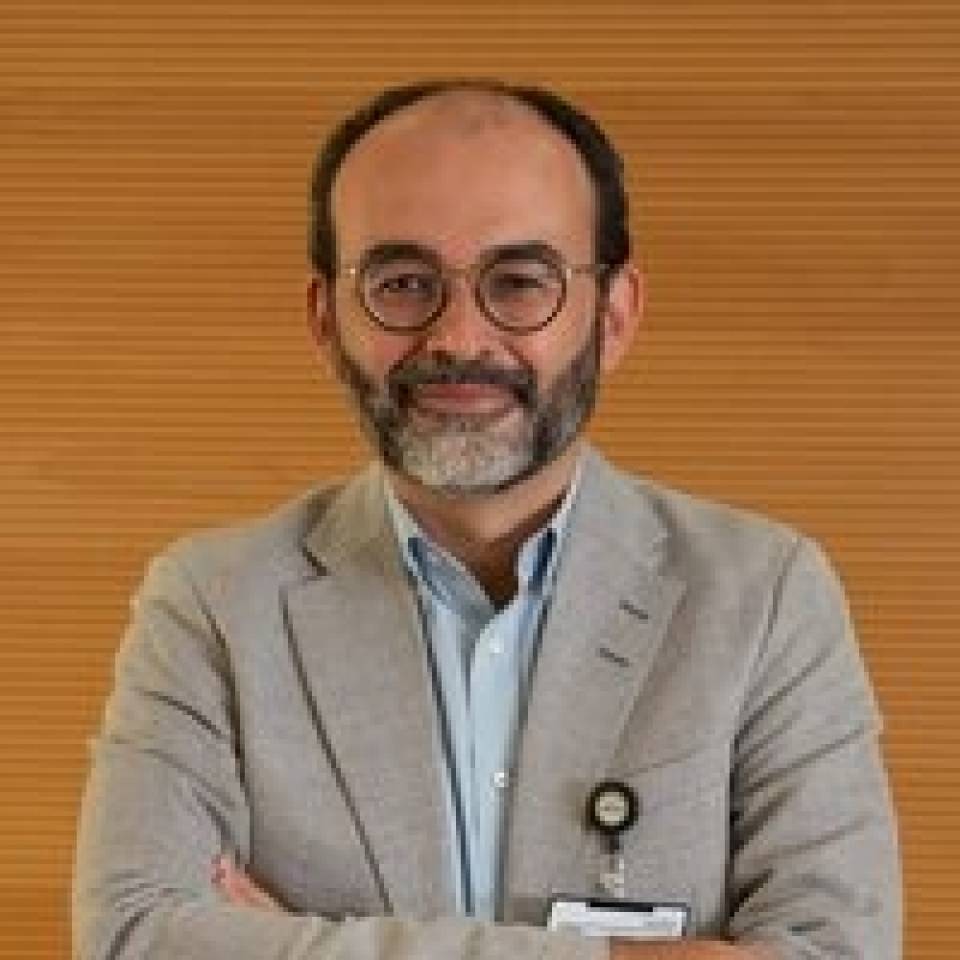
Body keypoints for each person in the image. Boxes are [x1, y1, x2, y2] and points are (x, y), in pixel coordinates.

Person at [72, 80, 901, 960]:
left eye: (519, 283)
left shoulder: (766, 597)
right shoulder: (213, 605)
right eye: (402, 284)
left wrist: (304, 945)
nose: (459, 339)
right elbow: (132, 939)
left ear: (614, 316)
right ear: (325, 319)